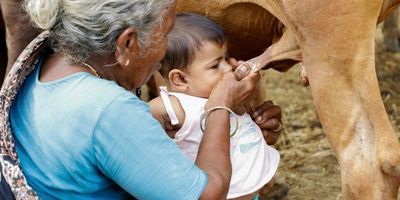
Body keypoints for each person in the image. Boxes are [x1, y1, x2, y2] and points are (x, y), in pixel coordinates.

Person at [0, 0, 282, 199]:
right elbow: (206, 196)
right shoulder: (110, 110)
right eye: (167, 32)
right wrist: (220, 106)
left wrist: (237, 135)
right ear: (126, 44)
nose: (167, 49)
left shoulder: (48, 65)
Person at [148, 13, 283, 200]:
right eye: (215, 65)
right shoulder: (174, 106)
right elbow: (138, 120)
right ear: (179, 79)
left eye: (226, 58)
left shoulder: (227, 94)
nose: (227, 68)